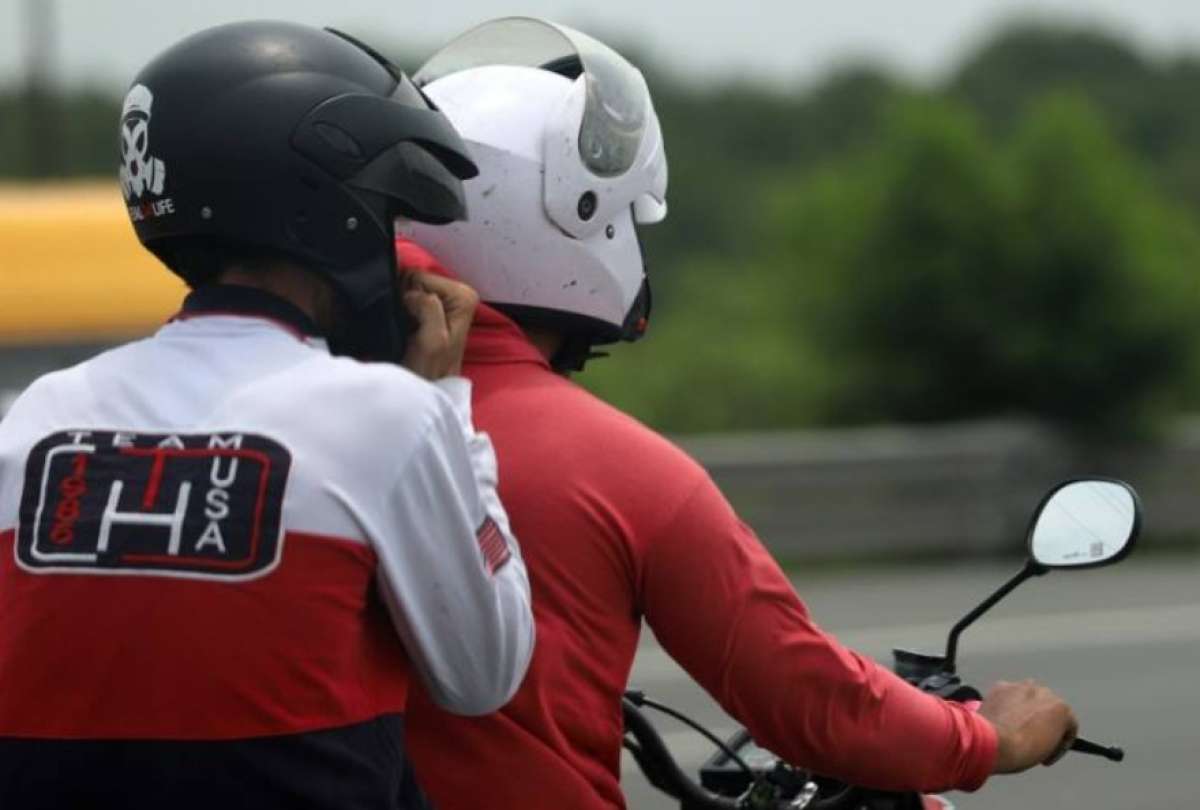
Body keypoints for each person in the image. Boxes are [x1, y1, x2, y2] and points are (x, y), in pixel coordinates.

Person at [395, 18, 1077, 809]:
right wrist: (992, 737)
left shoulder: (307, 408)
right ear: (572, 215)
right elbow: (809, 702)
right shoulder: (616, 467)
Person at [0, 21, 533, 810]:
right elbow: (484, 672)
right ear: (327, 209)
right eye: (386, 221)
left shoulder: (36, 415)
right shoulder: (388, 415)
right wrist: (445, 402)